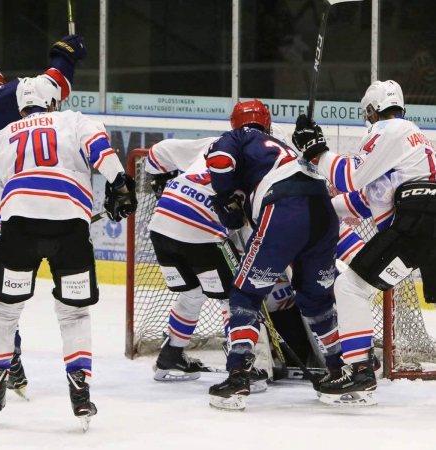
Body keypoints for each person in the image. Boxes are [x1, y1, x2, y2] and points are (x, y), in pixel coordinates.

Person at [0, 75, 137, 429]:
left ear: (21, 106)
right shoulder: (73, 120)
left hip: (18, 225)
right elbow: (102, 150)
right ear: (53, 101)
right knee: (74, 313)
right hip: (69, 226)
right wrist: (120, 186)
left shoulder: (3, 135)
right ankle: (79, 386)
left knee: (4, 310)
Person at [293, 79, 436, 406]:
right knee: (361, 287)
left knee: (350, 288)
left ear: (372, 110)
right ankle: (359, 370)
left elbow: (350, 177)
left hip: (418, 221)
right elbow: (365, 199)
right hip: (425, 228)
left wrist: (316, 150)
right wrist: (321, 208)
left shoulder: (388, 129)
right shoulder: (411, 140)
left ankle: (358, 371)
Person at [204, 99, 340, 411]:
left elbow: (221, 162)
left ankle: (238, 374)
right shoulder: (284, 147)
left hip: (284, 210)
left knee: (245, 295)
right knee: (317, 300)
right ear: (266, 123)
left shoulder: (238, 138)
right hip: (323, 212)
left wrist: (224, 194)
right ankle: (339, 371)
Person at [146, 129, 303, 389]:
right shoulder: (268, 164)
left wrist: (164, 179)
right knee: (235, 297)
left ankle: (170, 355)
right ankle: (242, 367)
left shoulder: (213, 144)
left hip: (162, 222)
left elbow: (155, 155)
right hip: (201, 231)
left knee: (192, 294)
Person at [0, 34, 87, 399]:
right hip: (5, 211)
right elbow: (54, 82)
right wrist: (66, 53)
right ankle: (8, 361)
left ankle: (4, 361)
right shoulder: (5, 99)